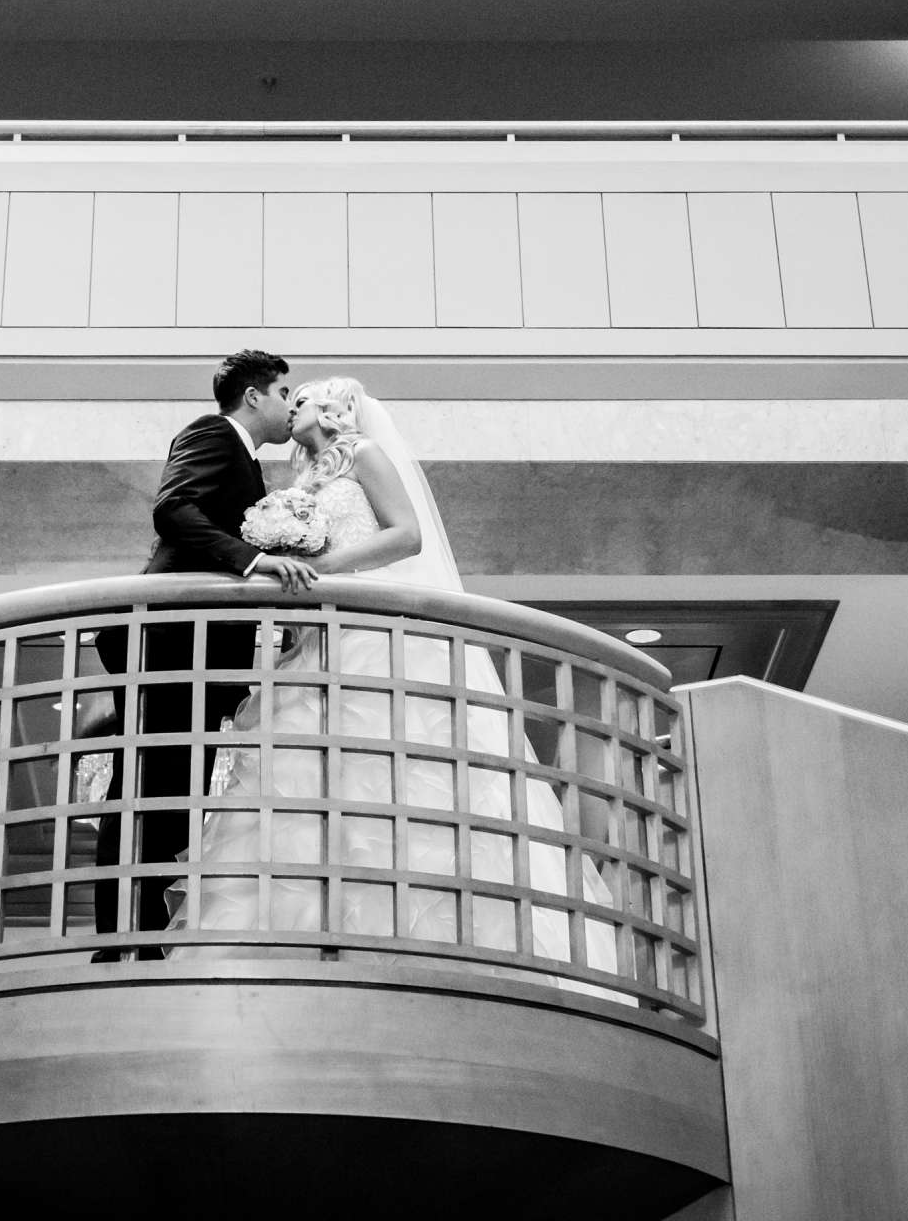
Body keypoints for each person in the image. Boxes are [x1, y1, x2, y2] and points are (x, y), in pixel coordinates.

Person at [162, 375, 628, 996]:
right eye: (287, 395)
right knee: (305, 782)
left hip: (371, 636)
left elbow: (407, 534)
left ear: (332, 408)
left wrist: (321, 569)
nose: (291, 407)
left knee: (394, 768)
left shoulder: (363, 454)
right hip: (317, 645)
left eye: (300, 399)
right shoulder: (301, 484)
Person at [92, 348, 318, 946]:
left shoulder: (245, 459)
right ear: (253, 396)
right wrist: (253, 559)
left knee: (174, 790)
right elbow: (173, 509)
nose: (291, 404)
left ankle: (143, 936)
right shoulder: (212, 433)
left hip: (196, 648)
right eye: (283, 392)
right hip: (169, 638)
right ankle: (120, 942)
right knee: (146, 786)